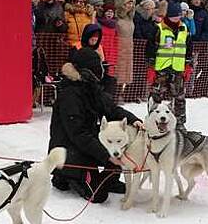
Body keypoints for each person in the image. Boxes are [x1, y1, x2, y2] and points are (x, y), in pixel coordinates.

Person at [49, 47, 142, 202]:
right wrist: (106, 156)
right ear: (87, 70)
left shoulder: (90, 88)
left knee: (117, 150)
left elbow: (112, 109)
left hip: (86, 147)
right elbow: (78, 134)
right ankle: (66, 176)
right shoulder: (70, 95)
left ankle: (108, 180)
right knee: (98, 196)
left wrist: (134, 120)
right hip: (68, 152)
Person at [147, 0, 193, 131]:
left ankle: (179, 123)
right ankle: (152, 121)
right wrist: (151, 66)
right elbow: (150, 48)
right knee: (156, 96)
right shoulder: (159, 28)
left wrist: (188, 65)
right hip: (161, 69)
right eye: (174, 15)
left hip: (178, 69)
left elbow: (189, 48)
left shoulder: (185, 29)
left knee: (179, 96)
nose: (176, 18)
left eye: (178, 15)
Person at [114, 0, 136, 99]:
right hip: (118, 47)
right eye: (128, 2)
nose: (130, 5)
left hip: (128, 48)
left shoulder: (130, 17)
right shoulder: (117, 16)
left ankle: (120, 93)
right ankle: (115, 95)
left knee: (125, 73)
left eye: (132, 3)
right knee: (117, 72)